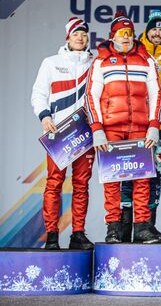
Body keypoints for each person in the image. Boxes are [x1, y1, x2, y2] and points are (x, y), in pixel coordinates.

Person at [85, 11, 161, 244]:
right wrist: (97, 129)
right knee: (111, 180)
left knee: (142, 178)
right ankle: (114, 228)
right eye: (121, 34)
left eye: (129, 33)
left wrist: (154, 126)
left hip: (140, 128)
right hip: (111, 130)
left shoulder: (146, 59)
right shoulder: (100, 61)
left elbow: (157, 93)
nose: (126, 38)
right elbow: (91, 96)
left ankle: (141, 227)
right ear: (112, 37)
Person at [119, 10, 161, 243]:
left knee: (154, 179)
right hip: (135, 126)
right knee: (128, 176)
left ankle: (146, 229)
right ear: (147, 31)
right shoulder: (136, 55)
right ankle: (123, 230)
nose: (157, 32)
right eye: (154, 28)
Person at [31, 17, 95, 250]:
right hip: (59, 131)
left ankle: (78, 232)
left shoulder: (94, 63)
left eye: (84, 34)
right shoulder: (51, 62)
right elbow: (38, 93)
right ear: (67, 37)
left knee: (81, 184)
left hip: (85, 133)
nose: (80, 37)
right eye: (76, 33)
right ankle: (51, 234)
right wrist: (45, 116)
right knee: (54, 183)